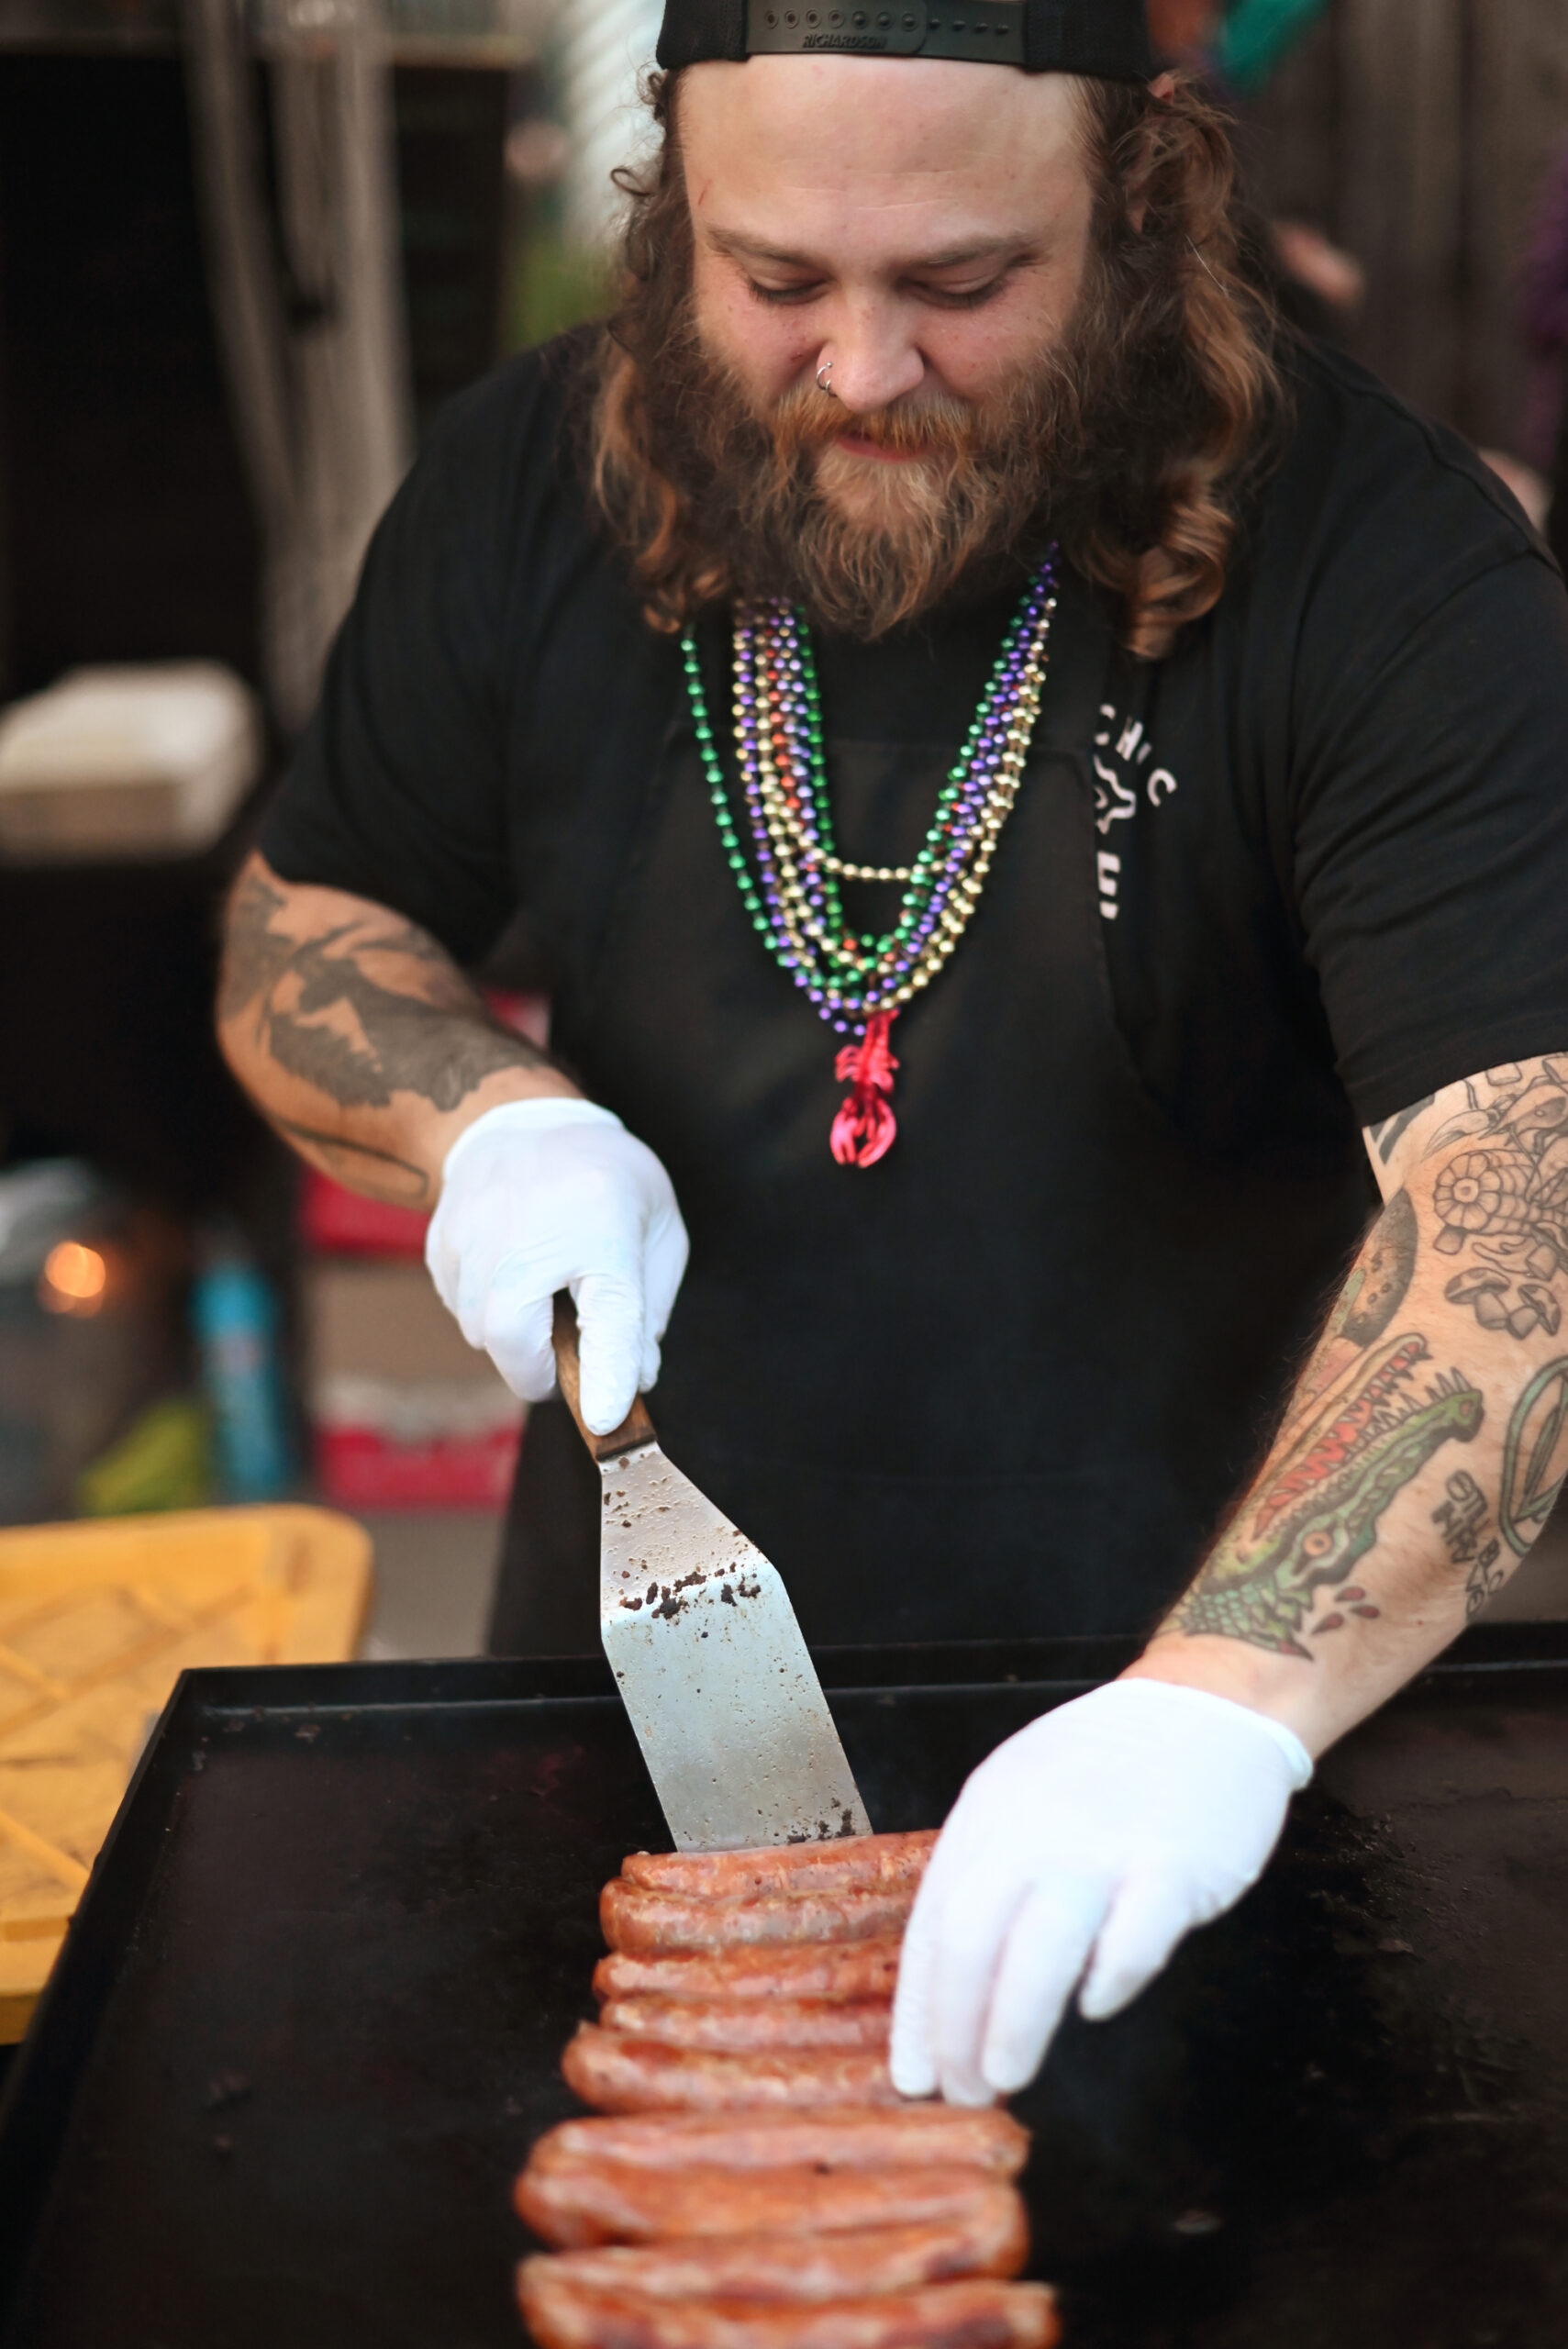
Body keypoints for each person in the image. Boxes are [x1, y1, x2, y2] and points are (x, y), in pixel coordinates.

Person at [217, 0, 1568, 2108]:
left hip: (1192, 1754)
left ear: (1142, 207)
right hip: (624, 1702)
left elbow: (1532, 1192)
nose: (861, 367)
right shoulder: (523, 484)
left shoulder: (1385, 568)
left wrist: (1216, 1705)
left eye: (963, 284)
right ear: (676, 226)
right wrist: (478, 1114)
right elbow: (306, 918)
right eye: (775, 282)